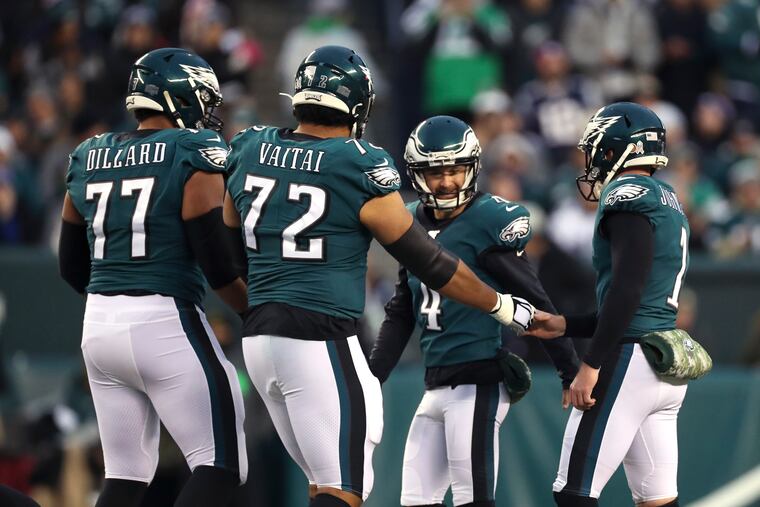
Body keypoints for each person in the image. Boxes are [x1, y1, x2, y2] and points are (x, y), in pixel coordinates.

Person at [222, 45, 535, 507]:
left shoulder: (249, 146)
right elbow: (430, 262)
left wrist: (256, 311)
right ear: (358, 106)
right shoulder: (357, 162)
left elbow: (227, 249)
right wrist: (501, 305)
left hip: (260, 341)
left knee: (322, 482)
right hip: (320, 334)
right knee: (343, 487)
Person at [58, 48, 248, 507]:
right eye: (204, 101)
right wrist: (255, 312)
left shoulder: (88, 154)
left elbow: (70, 266)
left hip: (98, 325)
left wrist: (118, 295)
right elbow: (217, 265)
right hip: (165, 320)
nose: (208, 113)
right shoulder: (192, 151)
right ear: (181, 98)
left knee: (124, 477)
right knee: (223, 464)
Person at [368, 115, 579, 507]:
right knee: (416, 502)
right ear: (417, 174)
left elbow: (535, 298)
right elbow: (402, 309)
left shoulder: (487, 220)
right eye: (435, 173)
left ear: (472, 169)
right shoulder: (408, 219)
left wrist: (569, 369)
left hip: (478, 381)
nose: (446, 182)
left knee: (473, 499)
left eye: (454, 170)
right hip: (435, 383)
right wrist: (371, 378)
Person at [529, 102, 690, 507]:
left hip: (629, 360)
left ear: (619, 149)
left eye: (597, 149)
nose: (592, 159)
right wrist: (566, 324)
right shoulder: (668, 198)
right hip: (662, 362)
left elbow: (627, 289)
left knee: (573, 492)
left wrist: (591, 363)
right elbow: (634, 299)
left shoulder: (626, 193)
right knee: (657, 500)